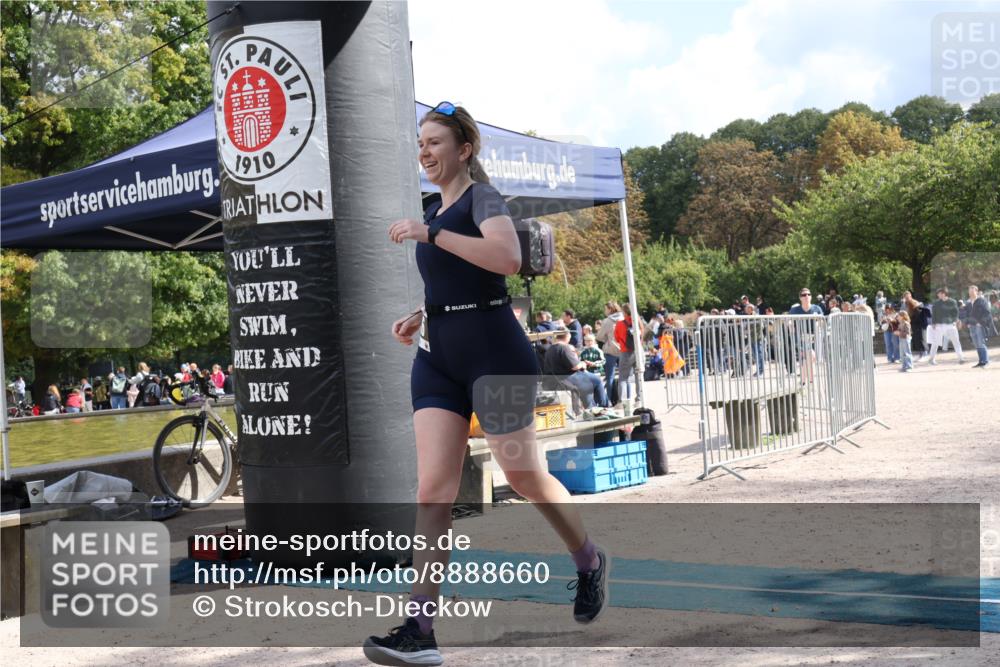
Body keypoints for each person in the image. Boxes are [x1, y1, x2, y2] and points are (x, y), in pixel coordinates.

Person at [373, 102, 608, 666]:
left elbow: (505, 258)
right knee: (433, 490)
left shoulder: (483, 199)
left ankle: (589, 560)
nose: (425, 152)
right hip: (437, 359)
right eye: (421, 144)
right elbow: (454, 282)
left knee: (525, 476)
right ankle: (420, 629)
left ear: (464, 150)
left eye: (435, 143)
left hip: (496, 357)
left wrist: (431, 234)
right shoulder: (434, 208)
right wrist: (419, 314)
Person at [545, 331, 610, 408]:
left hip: (555, 380)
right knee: (597, 380)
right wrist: (583, 364)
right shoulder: (564, 347)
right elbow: (575, 366)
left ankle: (591, 408)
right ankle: (604, 407)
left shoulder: (549, 349)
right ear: (567, 337)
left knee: (587, 385)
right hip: (568, 379)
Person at [788, 288, 824, 385]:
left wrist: (818, 322)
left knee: (809, 359)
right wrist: (791, 325)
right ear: (800, 298)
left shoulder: (816, 308)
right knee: (809, 356)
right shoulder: (795, 309)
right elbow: (789, 321)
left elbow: (822, 322)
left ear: (811, 296)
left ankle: (804, 380)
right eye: (804, 295)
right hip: (801, 337)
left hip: (814, 336)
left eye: (808, 294)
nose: (806, 296)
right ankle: (809, 381)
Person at [595, 301, 624, 404]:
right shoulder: (624, 318)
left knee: (610, 378)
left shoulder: (607, 321)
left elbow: (599, 337)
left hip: (610, 351)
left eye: (605, 309)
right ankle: (625, 399)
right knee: (624, 377)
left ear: (610, 309)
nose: (605, 311)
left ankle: (609, 401)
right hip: (624, 350)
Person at [927, 287, 964, 365]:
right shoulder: (936, 303)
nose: (938, 295)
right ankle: (931, 359)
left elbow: (955, 313)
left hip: (950, 325)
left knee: (956, 342)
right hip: (939, 325)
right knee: (935, 343)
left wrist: (955, 321)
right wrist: (933, 323)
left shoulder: (953, 302)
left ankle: (961, 358)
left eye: (939, 294)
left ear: (944, 294)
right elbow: (934, 314)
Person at [614, 303, 641, 408]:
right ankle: (639, 399)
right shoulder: (638, 322)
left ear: (624, 312)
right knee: (639, 375)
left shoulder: (620, 324)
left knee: (623, 378)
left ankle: (622, 402)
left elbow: (616, 338)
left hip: (626, 352)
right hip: (638, 351)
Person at [963, 284, 996, 368]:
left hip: (979, 326)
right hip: (972, 326)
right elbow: (966, 314)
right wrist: (967, 323)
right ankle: (981, 361)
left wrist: (980, 323)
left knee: (981, 343)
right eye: (969, 291)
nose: (970, 292)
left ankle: (986, 361)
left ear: (976, 291)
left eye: (972, 291)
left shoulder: (981, 300)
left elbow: (986, 312)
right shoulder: (968, 302)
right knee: (976, 344)